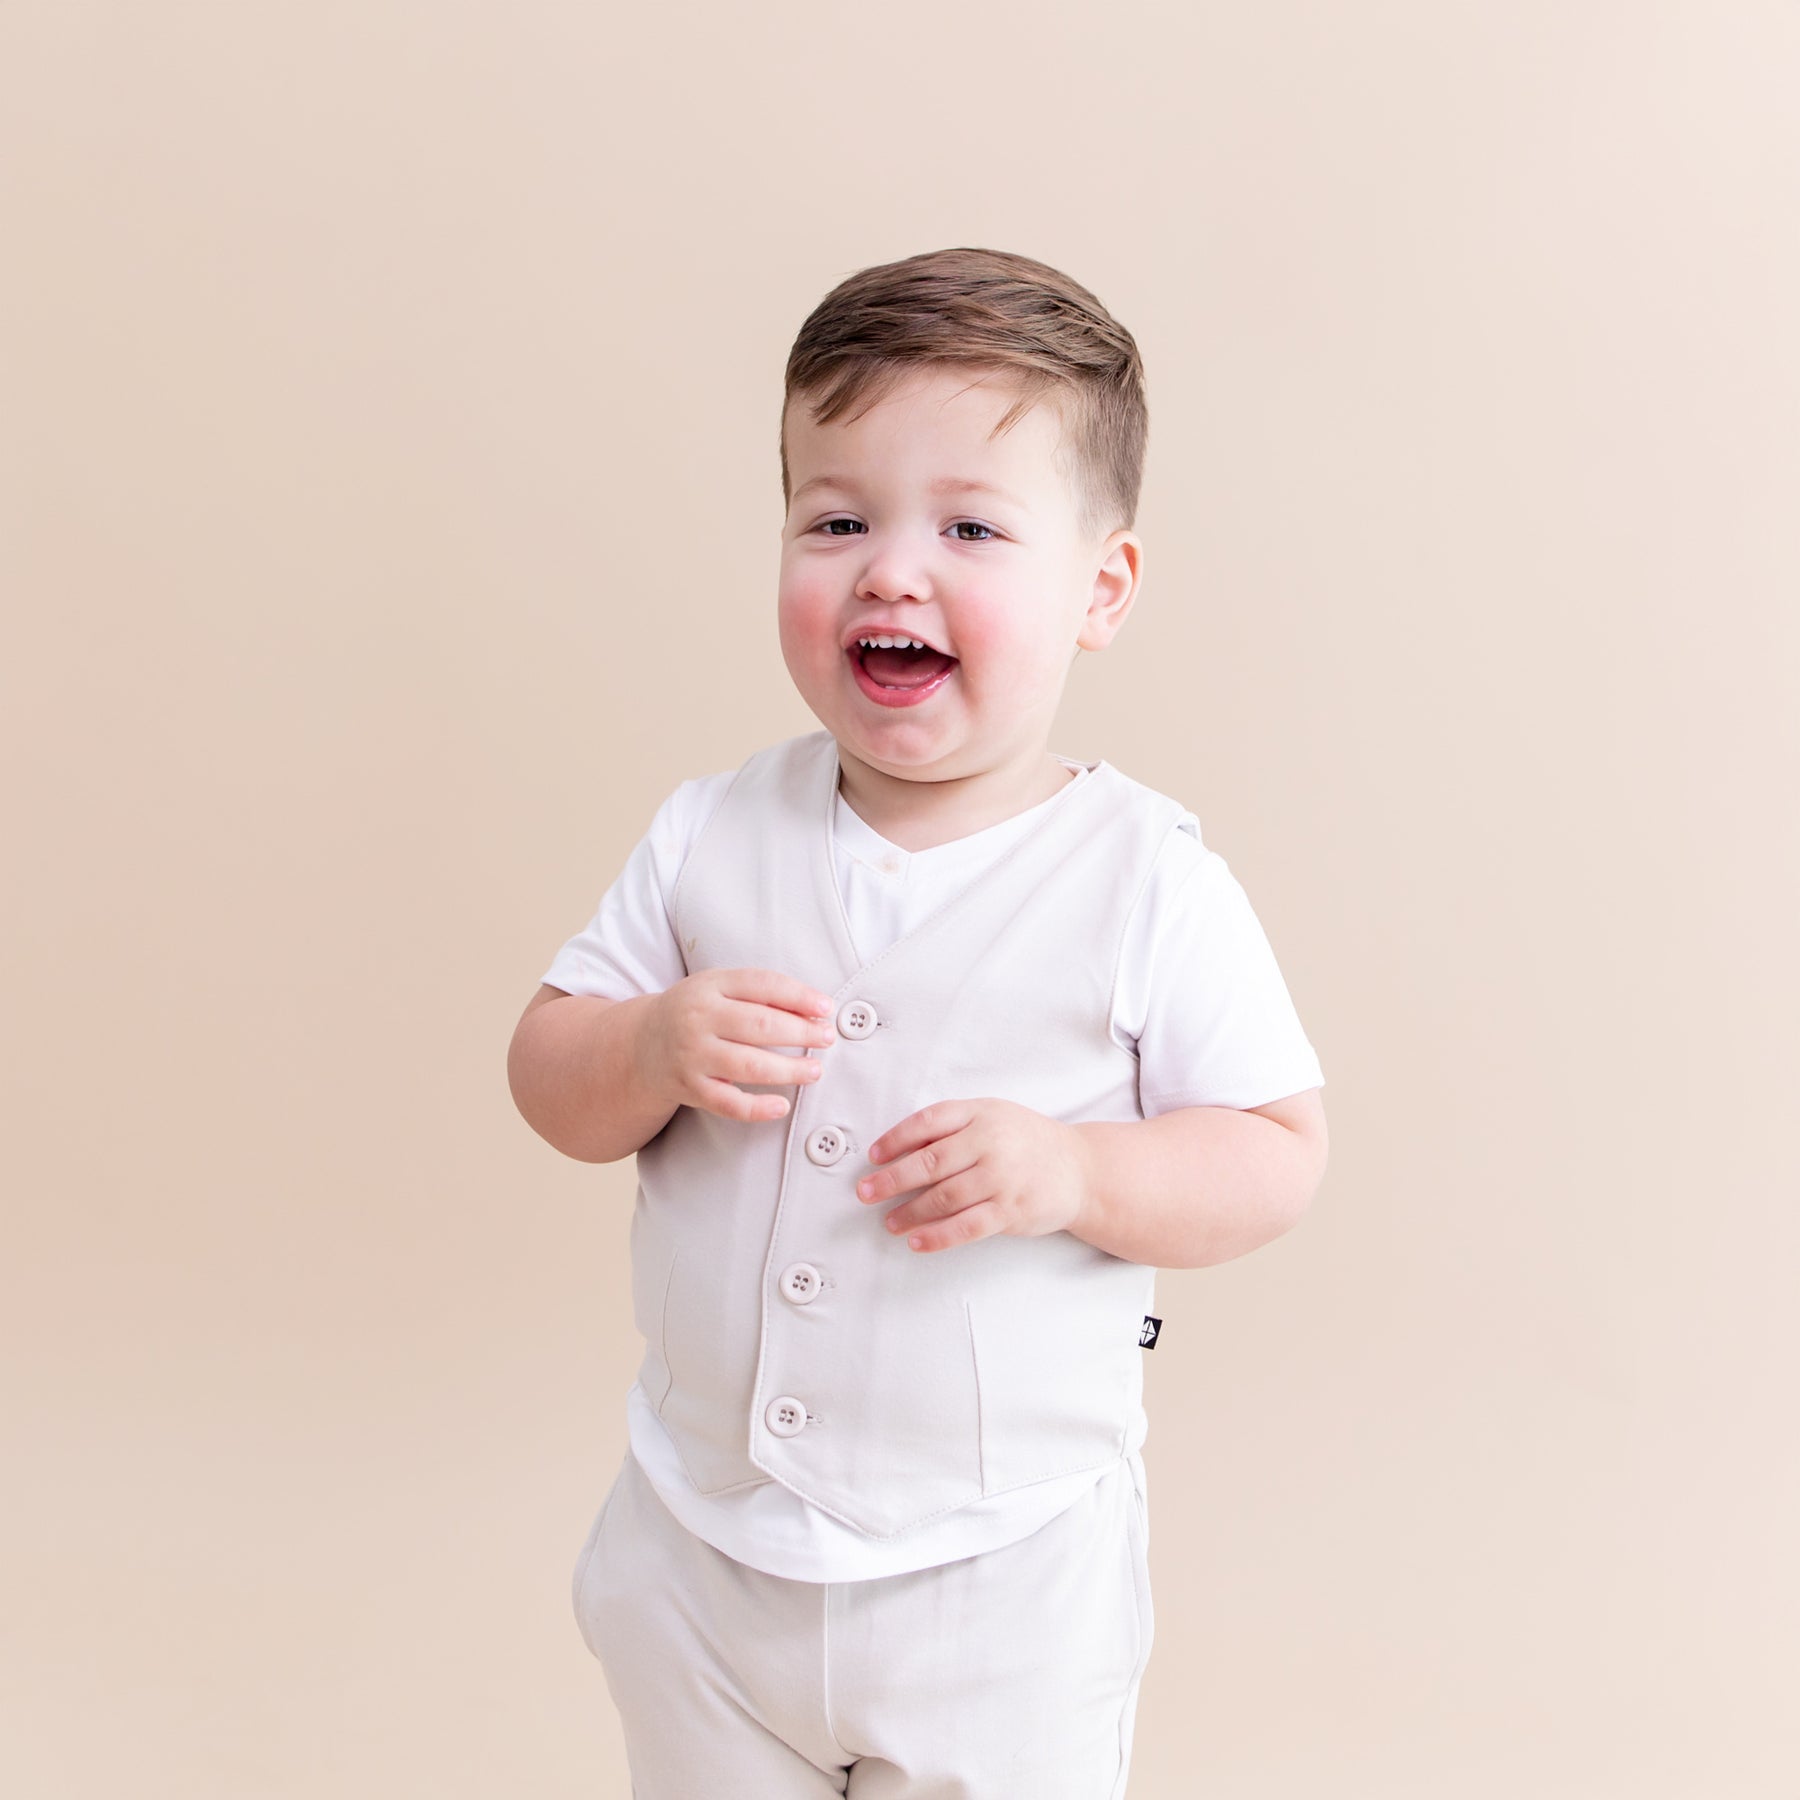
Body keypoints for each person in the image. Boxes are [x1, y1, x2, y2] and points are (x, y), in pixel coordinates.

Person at [506, 246, 1329, 1798]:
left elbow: (1277, 1152)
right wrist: (645, 1046)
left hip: (997, 1576)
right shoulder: (708, 834)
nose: (891, 570)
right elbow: (548, 1077)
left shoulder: (1145, 878)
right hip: (700, 1549)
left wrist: (1084, 1177)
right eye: (837, 519)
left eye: (969, 527)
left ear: (1101, 590)